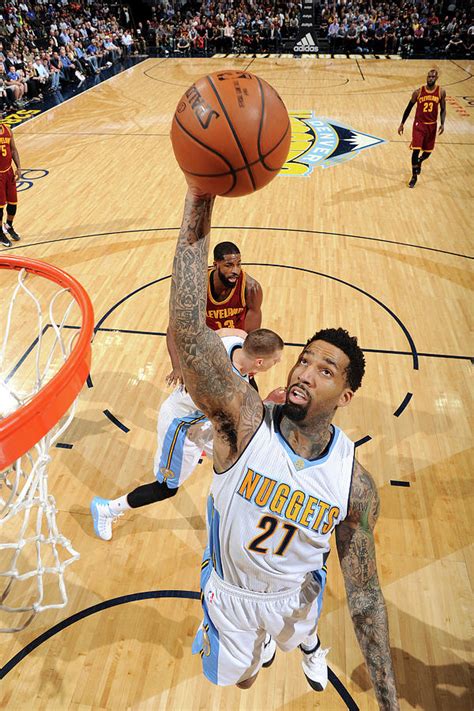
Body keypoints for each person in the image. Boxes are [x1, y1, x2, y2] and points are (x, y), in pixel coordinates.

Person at [168, 187, 399, 707]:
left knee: (300, 630)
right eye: (304, 360)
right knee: (242, 678)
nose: (304, 373)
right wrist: (199, 195)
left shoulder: (352, 484)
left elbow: (364, 595)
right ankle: (269, 648)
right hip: (232, 595)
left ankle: (309, 646)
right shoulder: (245, 424)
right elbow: (187, 330)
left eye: (325, 370)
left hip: (296, 596)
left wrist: (388, 702)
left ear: (346, 394)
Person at [90, 328, 285, 541]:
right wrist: (269, 401)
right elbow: (241, 419)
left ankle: (241, 516)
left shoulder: (234, 338)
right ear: (259, 362)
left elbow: (196, 333)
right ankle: (108, 509)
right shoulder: (228, 387)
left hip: (204, 421)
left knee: (242, 462)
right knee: (165, 488)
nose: (276, 364)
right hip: (182, 428)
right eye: (274, 361)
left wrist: (183, 365)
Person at [165, 241, 263, 386]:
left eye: (238, 264)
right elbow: (174, 329)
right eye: (228, 265)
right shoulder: (196, 288)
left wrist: (252, 360)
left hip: (233, 349)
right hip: (204, 351)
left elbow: (253, 334)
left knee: (248, 400)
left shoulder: (250, 288)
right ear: (216, 264)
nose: (235, 270)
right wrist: (177, 367)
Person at [398, 68, 446, 189]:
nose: (430, 79)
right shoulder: (418, 92)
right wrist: (402, 123)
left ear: (436, 78)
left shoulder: (441, 92)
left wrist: (443, 123)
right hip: (419, 125)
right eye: (429, 76)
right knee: (415, 150)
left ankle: (419, 161)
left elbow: (443, 109)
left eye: (432, 77)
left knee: (428, 152)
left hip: (432, 125)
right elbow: (408, 108)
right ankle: (414, 176)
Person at [0, 122, 21, 247]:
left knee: (13, 203)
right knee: (0, 207)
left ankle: (8, 226)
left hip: (9, 172)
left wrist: (19, 167)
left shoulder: (7, 129)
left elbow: (13, 150)